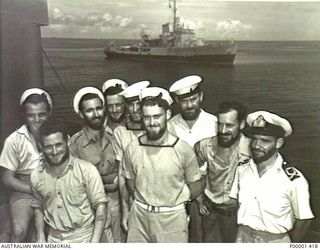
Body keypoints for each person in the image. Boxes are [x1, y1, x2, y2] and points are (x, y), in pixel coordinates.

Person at [123, 87, 203, 243]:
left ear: (167, 114)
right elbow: (131, 184)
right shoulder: (132, 148)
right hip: (139, 216)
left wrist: (169, 201)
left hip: (172, 219)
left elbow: (195, 188)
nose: (152, 123)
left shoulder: (183, 150)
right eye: (147, 117)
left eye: (157, 116)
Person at [229, 111, 314, 243]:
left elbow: (304, 220)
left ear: (279, 143)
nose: (256, 146)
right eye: (254, 139)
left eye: (264, 141)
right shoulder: (242, 170)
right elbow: (233, 203)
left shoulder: (294, 180)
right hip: (242, 237)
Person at [30, 119, 109, 243]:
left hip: (84, 237)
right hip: (54, 239)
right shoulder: (36, 175)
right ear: (41, 146)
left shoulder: (87, 170)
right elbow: (38, 207)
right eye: (48, 147)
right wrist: (40, 236)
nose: (55, 152)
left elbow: (100, 207)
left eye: (58, 145)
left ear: (67, 141)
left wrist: (94, 242)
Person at [168, 75, 217, 242]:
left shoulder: (214, 124)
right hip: (178, 190)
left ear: (201, 97)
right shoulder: (170, 126)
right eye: (184, 101)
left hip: (207, 190)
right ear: (176, 100)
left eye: (193, 99)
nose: (189, 105)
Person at [0, 88, 53, 242]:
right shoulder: (14, 140)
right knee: (19, 230)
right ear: (24, 115)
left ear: (49, 113)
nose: (37, 119)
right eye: (31, 115)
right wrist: (33, 189)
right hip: (24, 191)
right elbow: (8, 179)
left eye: (42, 114)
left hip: (52, 188)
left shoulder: (57, 137)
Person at [194, 101, 250, 242]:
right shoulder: (205, 146)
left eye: (230, 125)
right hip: (210, 214)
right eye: (220, 124)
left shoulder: (252, 149)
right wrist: (199, 198)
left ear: (241, 124)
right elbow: (190, 173)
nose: (223, 130)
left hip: (238, 217)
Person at [69, 86, 119, 242]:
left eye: (99, 108)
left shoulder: (115, 136)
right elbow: (77, 182)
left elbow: (123, 172)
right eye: (89, 110)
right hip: (91, 208)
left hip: (117, 204)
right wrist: (109, 181)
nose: (96, 114)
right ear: (81, 114)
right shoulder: (75, 144)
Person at [112, 80, 150, 233]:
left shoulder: (157, 129)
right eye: (130, 104)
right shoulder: (120, 133)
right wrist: (125, 209)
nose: (135, 109)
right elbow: (122, 173)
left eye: (139, 104)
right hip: (135, 202)